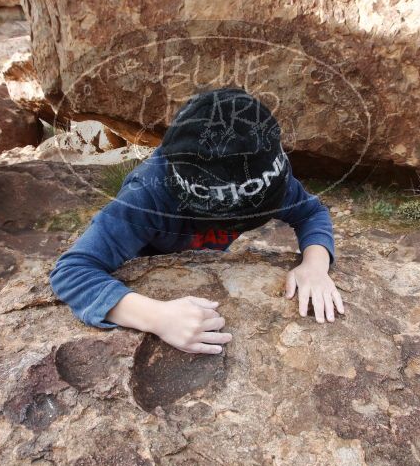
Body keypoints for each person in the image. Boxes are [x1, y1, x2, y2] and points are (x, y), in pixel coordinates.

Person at [49, 87, 344, 354]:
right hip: (145, 266)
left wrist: (315, 266)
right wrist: (155, 317)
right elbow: (72, 271)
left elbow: (311, 212)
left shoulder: (263, 174)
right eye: (230, 221)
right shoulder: (149, 196)